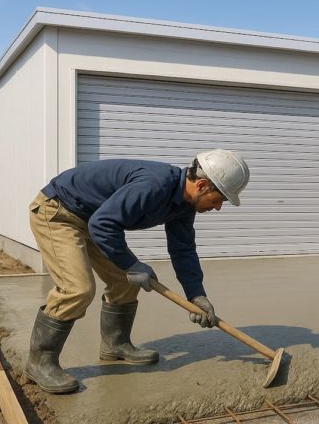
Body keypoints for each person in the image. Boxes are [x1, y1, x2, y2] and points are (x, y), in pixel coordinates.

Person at [25, 149, 250, 394]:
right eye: (220, 200)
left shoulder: (184, 205)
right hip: (59, 212)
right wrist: (132, 264)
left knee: (126, 282)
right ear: (202, 185)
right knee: (78, 289)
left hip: (93, 218)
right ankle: (40, 363)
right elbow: (103, 224)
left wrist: (196, 295)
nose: (218, 208)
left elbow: (183, 249)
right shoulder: (155, 186)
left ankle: (115, 344)